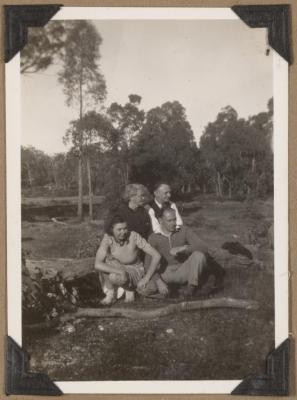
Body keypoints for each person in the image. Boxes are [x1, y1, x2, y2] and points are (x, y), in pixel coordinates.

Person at [140, 208, 225, 299]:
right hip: (165, 272)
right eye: (169, 221)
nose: (174, 223)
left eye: (175, 219)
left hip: (183, 270)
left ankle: (191, 288)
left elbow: (203, 247)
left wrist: (184, 248)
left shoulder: (183, 230)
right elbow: (147, 264)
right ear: (160, 221)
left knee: (199, 255)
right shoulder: (153, 237)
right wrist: (158, 281)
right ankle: (171, 293)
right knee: (143, 290)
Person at [95, 214, 161, 305]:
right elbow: (97, 264)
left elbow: (157, 255)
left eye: (125, 228)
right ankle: (111, 294)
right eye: (119, 229)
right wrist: (120, 271)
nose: (123, 232)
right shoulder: (107, 238)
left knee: (115, 276)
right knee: (106, 262)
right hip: (119, 269)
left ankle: (129, 290)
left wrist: (146, 278)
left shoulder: (133, 236)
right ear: (111, 230)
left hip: (135, 270)